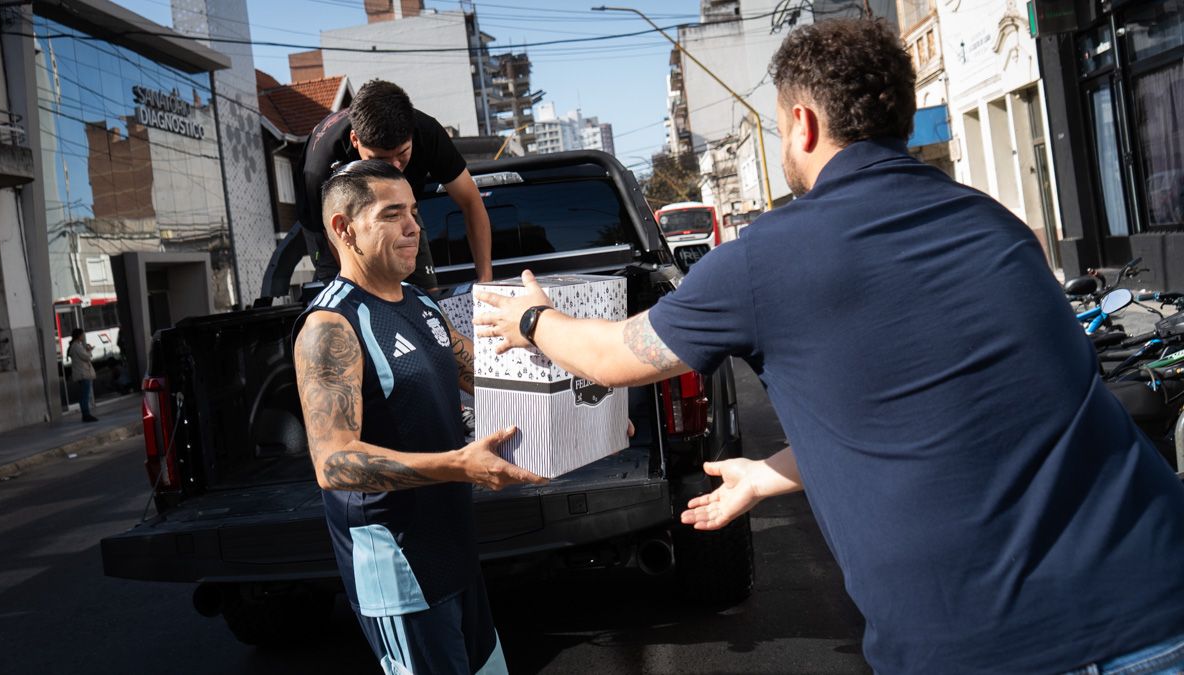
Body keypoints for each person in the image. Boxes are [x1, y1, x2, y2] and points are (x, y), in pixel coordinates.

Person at [474, 19, 1184, 674]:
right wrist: (768, 474)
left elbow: (611, 356)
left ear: (803, 124)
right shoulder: (1000, 226)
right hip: (1159, 598)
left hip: (986, 646)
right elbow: (942, 409)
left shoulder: (761, 261)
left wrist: (531, 320)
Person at [292, 159, 541, 674]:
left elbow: (495, 379)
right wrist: (459, 465)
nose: (414, 227)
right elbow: (334, 463)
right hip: (399, 570)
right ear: (344, 228)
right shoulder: (330, 325)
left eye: (414, 211)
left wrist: (589, 415)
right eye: (392, 214)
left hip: (455, 550)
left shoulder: (423, 305)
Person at [297, 79, 493, 289]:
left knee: (424, 297)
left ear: (412, 136)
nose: (394, 167)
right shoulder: (322, 163)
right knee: (358, 299)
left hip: (399, 205)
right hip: (338, 223)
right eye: (380, 160)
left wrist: (485, 278)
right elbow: (335, 235)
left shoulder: (428, 133)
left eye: (402, 154)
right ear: (355, 141)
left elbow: (471, 202)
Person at [67, 328, 98, 423]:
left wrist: (87, 350)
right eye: (82, 335)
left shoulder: (75, 346)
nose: (83, 336)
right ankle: (86, 414)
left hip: (81, 373)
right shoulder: (77, 346)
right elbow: (86, 357)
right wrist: (89, 350)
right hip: (83, 373)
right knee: (85, 395)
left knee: (84, 395)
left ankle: (86, 414)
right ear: (78, 336)